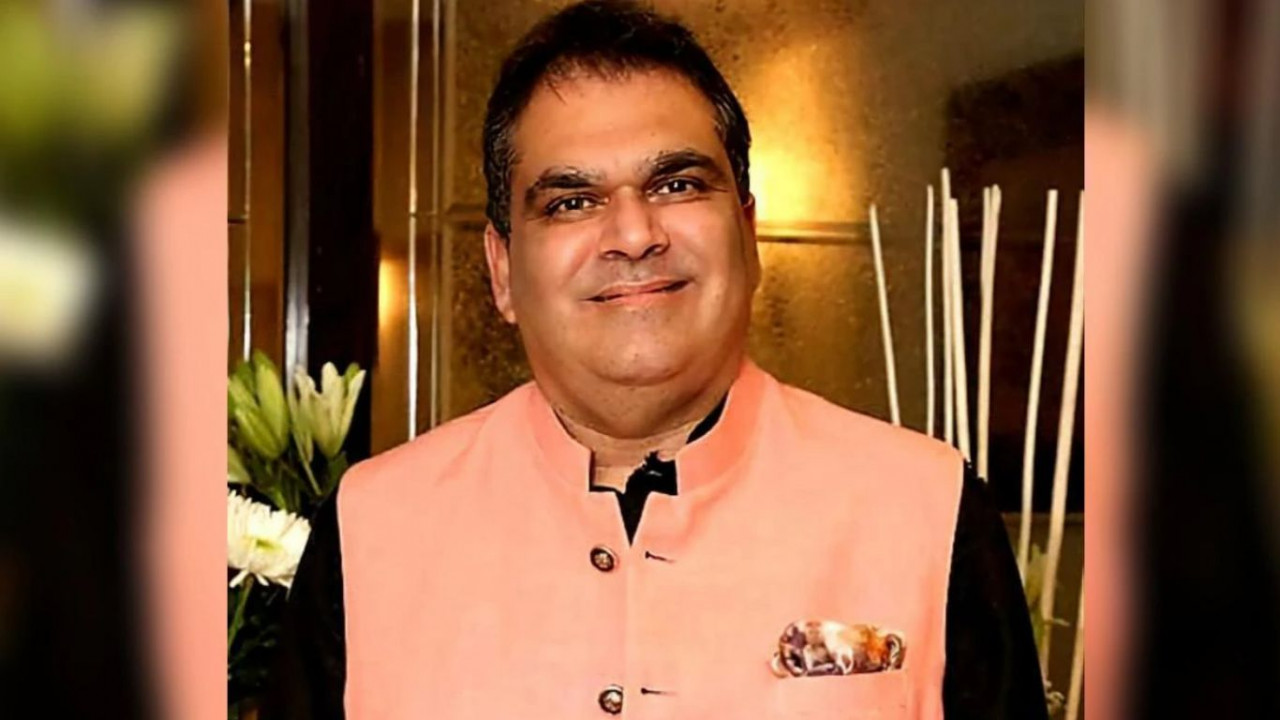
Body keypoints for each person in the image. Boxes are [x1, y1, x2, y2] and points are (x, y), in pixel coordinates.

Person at [273, 2, 1046, 717]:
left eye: (676, 184)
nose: (635, 234)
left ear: (747, 235)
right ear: (502, 271)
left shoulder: (927, 509)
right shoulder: (372, 529)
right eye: (571, 202)